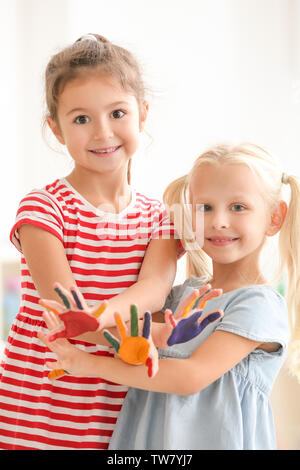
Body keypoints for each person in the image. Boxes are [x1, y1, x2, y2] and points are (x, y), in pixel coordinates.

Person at [40, 143, 300, 450]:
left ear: (274, 218)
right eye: (205, 207)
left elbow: (190, 376)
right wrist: (80, 324)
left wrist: (87, 364)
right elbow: (128, 337)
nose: (218, 221)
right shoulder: (182, 296)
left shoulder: (259, 305)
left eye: (238, 207)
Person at [0, 34, 181, 450]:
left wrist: (97, 319)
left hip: (117, 410)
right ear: (56, 129)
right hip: (37, 410)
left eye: (117, 113)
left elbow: (152, 290)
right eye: (81, 119)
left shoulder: (159, 217)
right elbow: (66, 316)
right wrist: (152, 339)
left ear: (142, 114)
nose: (103, 132)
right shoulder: (43, 208)